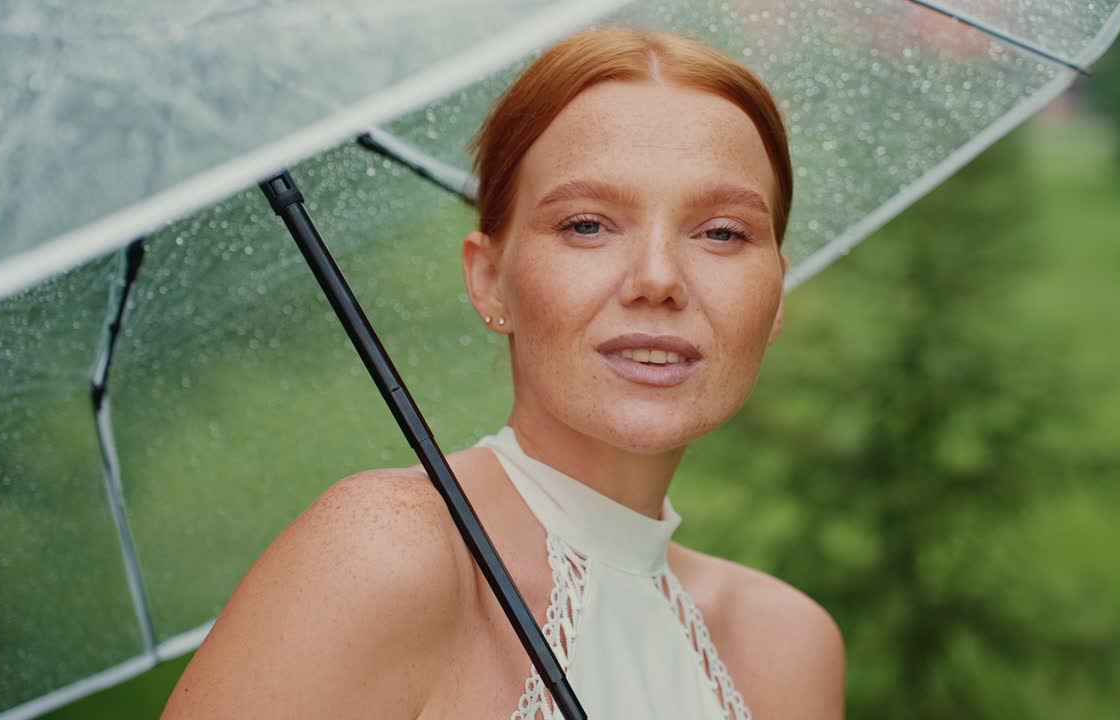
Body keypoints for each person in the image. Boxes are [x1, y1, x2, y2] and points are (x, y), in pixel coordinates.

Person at [162, 28, 844, 720]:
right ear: (489, 280)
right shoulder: (381, 556)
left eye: (722, 232)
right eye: (587, 225)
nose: (659, 279)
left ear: (776, 294)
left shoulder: (790, 649)